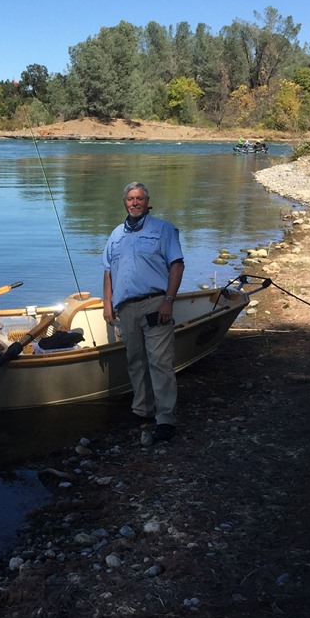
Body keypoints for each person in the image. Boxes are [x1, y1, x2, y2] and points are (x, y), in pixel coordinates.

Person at [101, 182, 185, 442]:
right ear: (124, 203)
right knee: (135, 362)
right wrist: (107, 303)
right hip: (126, 308)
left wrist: (169, 300)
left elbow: (177, 266)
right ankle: (142, 411)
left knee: (159, 361)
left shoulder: (163, 229)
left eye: (139, 198)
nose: (134, 202)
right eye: (130, 198)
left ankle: (165, 419)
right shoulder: (115, 235)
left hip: (155, 302)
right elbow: (107, 271)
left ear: (147, 202)